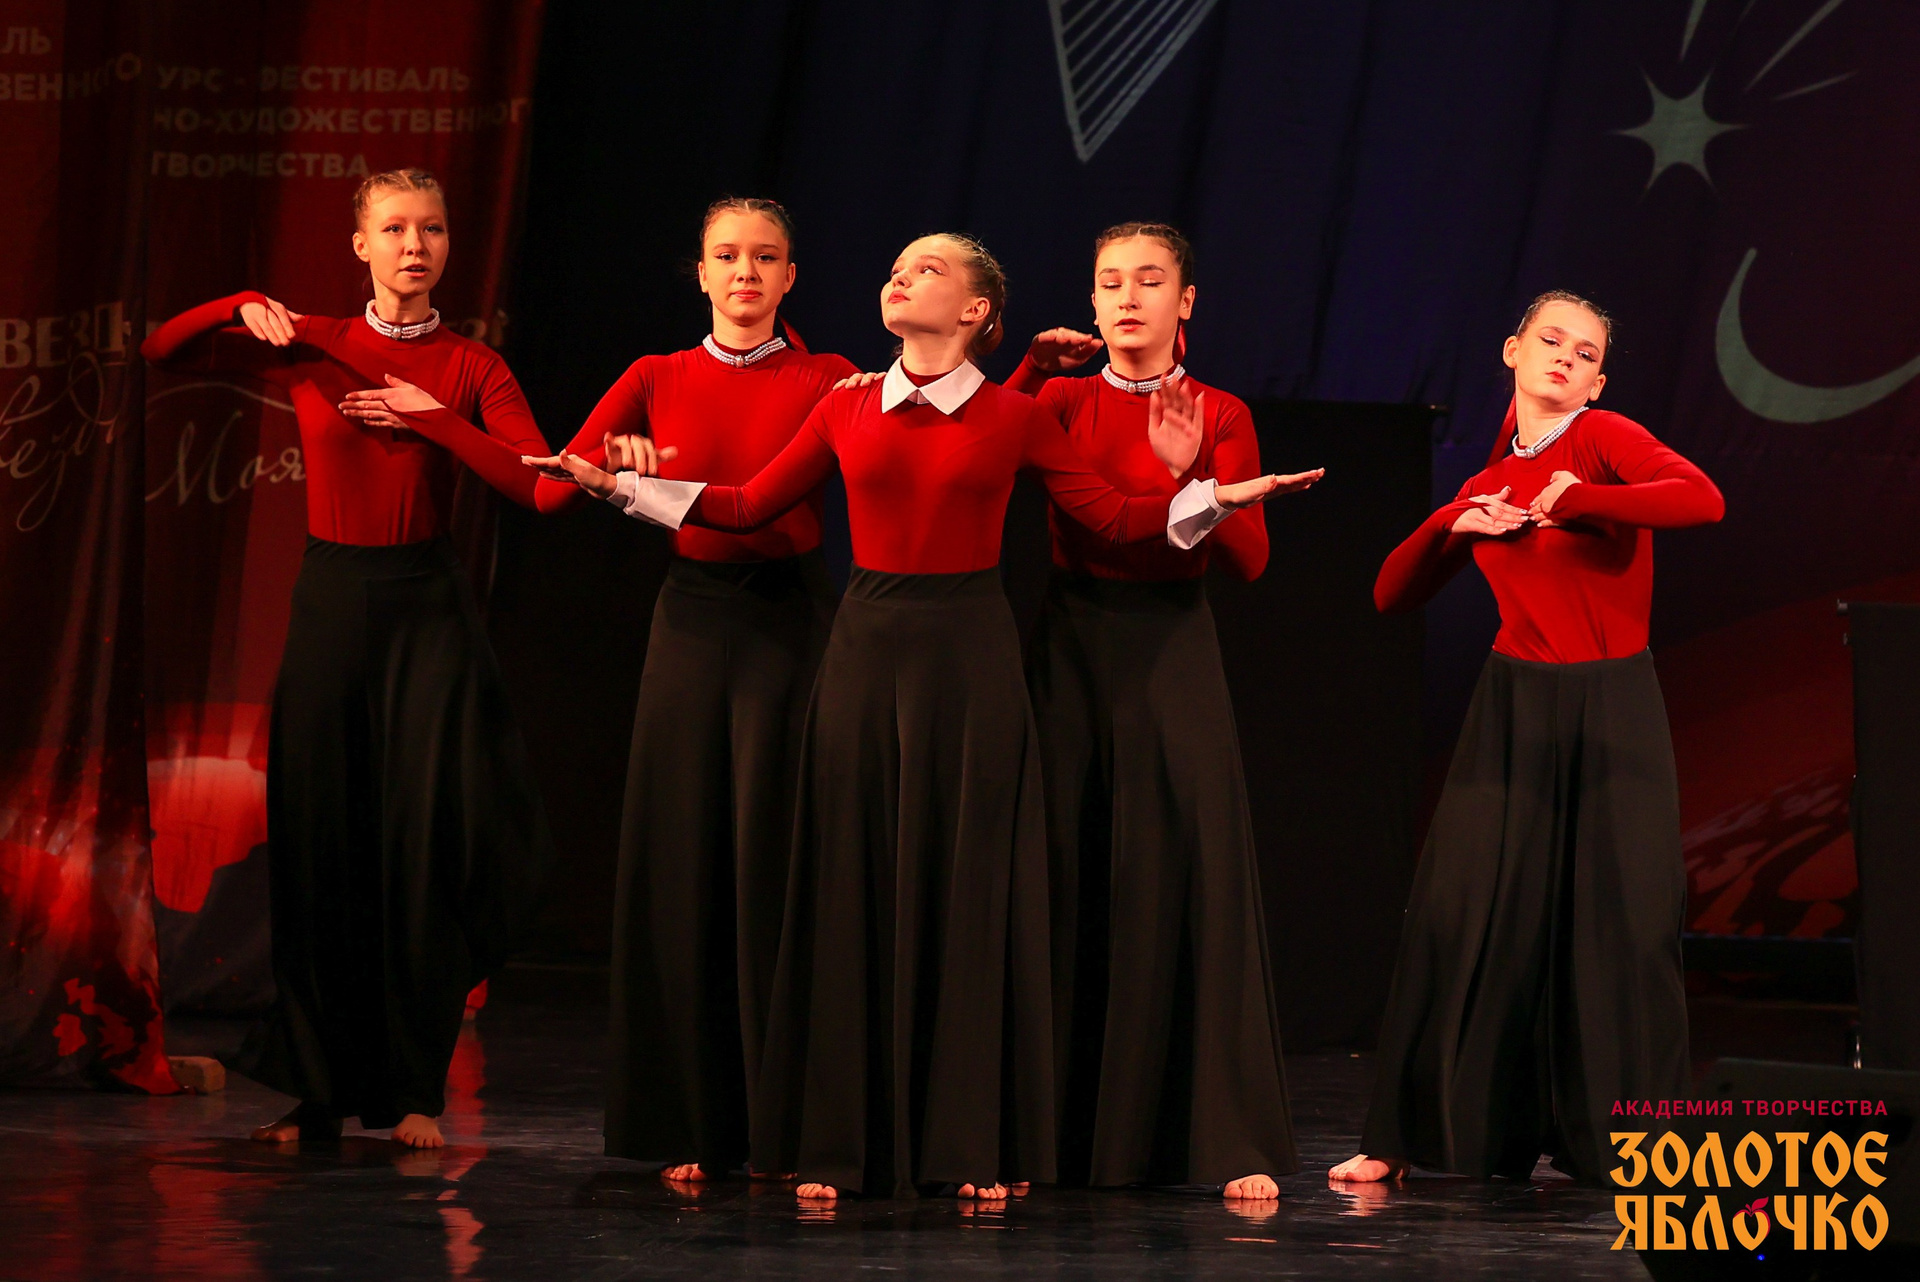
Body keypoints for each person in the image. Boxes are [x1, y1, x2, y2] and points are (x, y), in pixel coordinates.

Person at [540, 233, 1298, 1201]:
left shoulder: (1019, 415)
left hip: (972, 660)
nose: (900, 278)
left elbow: (1111, 518)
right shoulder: (845, 403)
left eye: (929, 270)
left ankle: (971, 1147)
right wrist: (624, 489)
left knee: (971, 898)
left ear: (979, 311)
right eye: (897, 268)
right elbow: (744, 505)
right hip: (865, 651)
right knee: (850, 888)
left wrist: (1209, 489)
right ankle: (836, 1145)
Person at [141, 168, 555, 1151]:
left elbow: (539, 486)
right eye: (396, 229)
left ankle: (412, 1088)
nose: (416, 246)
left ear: (449, 244)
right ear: (361, 243)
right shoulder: (316, 339)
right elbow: (162, 351)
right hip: (331, 600)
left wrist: (429, 416)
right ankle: (316, 1091)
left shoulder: (471, 365)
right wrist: (240, 301)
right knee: (320, 841)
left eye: (433, 229)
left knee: (421, 846)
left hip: (428, 612)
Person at [1332, 291, 1724, 1185]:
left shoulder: (1603, 439)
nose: (1566, 359)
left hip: (1612, 707)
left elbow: (1702, 500)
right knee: (1463, 913)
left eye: (1585, 354)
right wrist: (1450, 522)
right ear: (1512, 351)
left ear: (1598, 383)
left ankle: (1638, 1143)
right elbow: (1392, 596)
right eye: (1551, 341)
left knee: (1624, 926)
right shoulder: (1486, 482)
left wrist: (1582, 498)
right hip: (1512, 710)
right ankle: (1408, 1136)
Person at [524, 198, 855, 1183]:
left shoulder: (828, 377)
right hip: (692, 623)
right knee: (685, 858)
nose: (745, 272)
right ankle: (696, 1124)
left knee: (773, 857)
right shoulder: (655, 376)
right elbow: (548, 487)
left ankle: (785, 1124)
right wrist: (606, 465)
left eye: (765, 256)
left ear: (791, 275)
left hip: (788, 622)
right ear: (701, 273)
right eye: (727, 255)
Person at [1002, 222, 1317, 1202]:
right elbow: (974, 456)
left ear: (1186, 302)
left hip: (1173, 647)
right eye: (1110, 282)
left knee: (1183, 869)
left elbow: (1252, 560)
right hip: (1071, 644)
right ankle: (1031, 1134)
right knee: (1061, 867)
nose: (1128, 297)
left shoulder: (1219, 411)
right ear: (1092, 302)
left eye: (1150, 281)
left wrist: (1193, 477)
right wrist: (1025, 367)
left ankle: (1216, 1137)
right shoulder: (1060, 399)